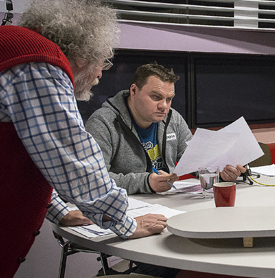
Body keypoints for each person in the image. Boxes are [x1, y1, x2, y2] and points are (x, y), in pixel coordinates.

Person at [0, 0, 166, 278]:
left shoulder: (10, 50)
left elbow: (35, 155)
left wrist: (61, 209)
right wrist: (126, 222)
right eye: (102, 62)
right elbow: (73, 158)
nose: (100, 75)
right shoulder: (38, 62)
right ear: (83, 53)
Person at [82, 62, 245, 195]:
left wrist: (219, 173)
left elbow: (195, 161)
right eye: (156, 97)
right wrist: (146, 182)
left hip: (166, 202)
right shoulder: (103, 122)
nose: (164, 106)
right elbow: (94, 179)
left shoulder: (173, 119)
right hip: (126, 205)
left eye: (169, 99)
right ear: (134, 90)